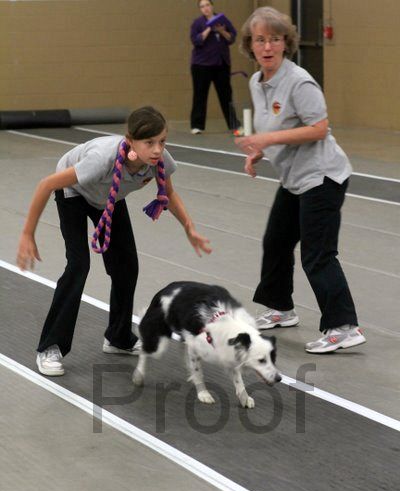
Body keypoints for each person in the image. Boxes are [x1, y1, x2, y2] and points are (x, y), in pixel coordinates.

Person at [17, 106, 212, 376]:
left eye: (162, 141)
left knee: (126, 266)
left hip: (108, 199)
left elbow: (169, 192)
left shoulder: (160, 160)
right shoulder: (101, 160)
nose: (157, 149)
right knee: (78, 265)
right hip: (73, 192)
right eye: (149, 143)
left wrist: (189, 227)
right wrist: (28, 234)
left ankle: (118, 337)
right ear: (130, 141)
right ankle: (50, 346)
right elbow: (46, 184)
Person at [236, 7, 366, 354]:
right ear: (251, 45)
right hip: (294, 178)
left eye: (274, 39)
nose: (267, 46)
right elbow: (273, 129)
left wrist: (266, 142)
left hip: (322, 177)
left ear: (285, 43)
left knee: (317, 254)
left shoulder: (299, 81)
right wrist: (258, 152)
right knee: (276, 241)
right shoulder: (256, 82)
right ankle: (280, 308)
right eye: (260, 40)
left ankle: (344, 326)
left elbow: (319, 128)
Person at [190, 0, 243, 135]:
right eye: (202, 6)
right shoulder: (198, 23)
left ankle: (234, 125)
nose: (206, 8)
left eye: (207, 5)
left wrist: (221, 30)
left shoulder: (223, 20)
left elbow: (232, 38)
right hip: (201, 65)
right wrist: (209, 28)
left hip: (221, 64)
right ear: (200, 9)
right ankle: (197, 125)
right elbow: (196, 41)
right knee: (200, 95)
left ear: (212, 6)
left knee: (226, 96)